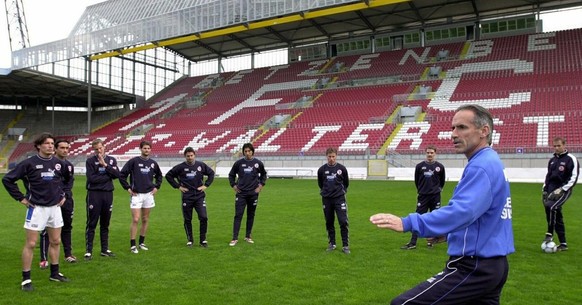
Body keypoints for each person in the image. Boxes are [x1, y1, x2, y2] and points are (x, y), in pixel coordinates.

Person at [370, 104, 514, 305]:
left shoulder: (482, 165)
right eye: (453, 128)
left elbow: (463, 211)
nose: (454, 134)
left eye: (462, 127)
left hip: (473, 267)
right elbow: (484, 216)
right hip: (493, 264)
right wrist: (449, 233)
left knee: (402, 303)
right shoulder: (490, 161)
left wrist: (409, 222)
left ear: (484, 131)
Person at [2, 133, 72, 291]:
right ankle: (26, 279)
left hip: (55, 209)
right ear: (38, 145)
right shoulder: (28, 163)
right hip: (36, 209)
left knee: (55, 241)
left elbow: (68, 180)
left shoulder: (58, 163)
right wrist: (21, 198)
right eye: (46, 143)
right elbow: (8, 180)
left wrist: (64, 195)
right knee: (31, 244)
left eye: (52, 143)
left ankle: (55, 273)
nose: (50, 146)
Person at [165, 147, 215, 247]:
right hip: (187, 197)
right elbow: (168, 176)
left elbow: (211, 173)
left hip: (199, 196)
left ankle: (203, 240)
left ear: (194, 155)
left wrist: (206, 185)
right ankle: (190, 240)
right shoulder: (180, 167)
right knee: (188, 219)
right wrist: (178, 186)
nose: (190, 157)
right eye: (188, 156)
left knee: (204, 217)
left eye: (191, 155)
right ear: (185, 156)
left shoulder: (200, 165)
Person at [119, 140, 163, 254]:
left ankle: (142, 243)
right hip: (136, 195)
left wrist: (156, 187)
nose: (146, 150)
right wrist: (128, 188)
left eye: (148, 148)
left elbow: (159, 176)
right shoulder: (133, 161)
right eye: (144, 148)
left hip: (148, 194)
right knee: (135, 219)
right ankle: (133, 245)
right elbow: (122, 175)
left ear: (150, 149)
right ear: (140, 149)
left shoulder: (153, 163)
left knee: (145, 219)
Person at [39, 139, 76, 269]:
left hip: (66, 200)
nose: (65, 150)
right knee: (46, 229)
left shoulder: (69, 165)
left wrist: (65, 195)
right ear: (55, 149)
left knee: (67, 226)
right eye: (62, 148)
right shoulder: (49, 163)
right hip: (50, 201)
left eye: (67, 148)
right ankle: (44, 258)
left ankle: (68, 254)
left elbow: (69, 182)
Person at [401, 145, 446, 250]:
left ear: (435, 153)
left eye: (432, 153)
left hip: (435, 196)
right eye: (428, 153)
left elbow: (442, 182)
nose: (430, 154)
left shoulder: (440, 167)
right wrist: (422, 190)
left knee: (434, 219)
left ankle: (431, 242)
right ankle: (413, 242)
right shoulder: (419, 166)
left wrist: (436, 190)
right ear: (425, 153)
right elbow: (417, 181)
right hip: (423, 196)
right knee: (417, 218)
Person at [85, 138, 120, 260]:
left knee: (105, 223)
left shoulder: (111, 160)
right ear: (93, 150)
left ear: (104, 147)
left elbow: (117, 175)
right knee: (92, 223)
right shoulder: (90, 161)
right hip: (94, 194)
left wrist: (105, 166)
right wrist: (107, 176)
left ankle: (104, 249)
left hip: (107, 194)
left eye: (100, 148)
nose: (99, 151)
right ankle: (89, 251)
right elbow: (91, 179)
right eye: (96, 149)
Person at [542, 137, 579, 251]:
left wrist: (562, 189)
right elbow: (548, 176)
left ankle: (549, 233)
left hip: (563, 190)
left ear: (564, 145)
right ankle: (563, 244)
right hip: (551, 190)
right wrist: (544, 189)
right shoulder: (552, 160)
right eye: (555, 146)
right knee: (556, 215)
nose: (556, 148)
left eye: (559, 145)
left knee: (551, 207)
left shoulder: (571, 159)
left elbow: (574, 177)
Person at [228, 143, 267, 246]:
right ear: (243, 152)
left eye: (249, 151)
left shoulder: (258, 163)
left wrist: (260, 186)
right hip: (241, 193)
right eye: (245, 151)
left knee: (251, 215)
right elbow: (231, 175)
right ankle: (234, 238)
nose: (247, 153)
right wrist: (234, 185)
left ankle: (248, 236)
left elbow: (264, 175)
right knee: (238, 215)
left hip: (253, 194)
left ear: (252, 151)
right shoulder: (239, 163)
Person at [317, 147, 351, 254]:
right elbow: (320, 184)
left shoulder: (342, 169)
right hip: (327, 199)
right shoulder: (321, 170)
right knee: (329, 221)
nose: (331, 158)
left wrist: (341, 192)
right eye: (329, 156)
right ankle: (332, 243)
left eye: (333, 156)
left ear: (336, 156)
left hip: (339, 198)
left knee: (343, 221)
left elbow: (346, 183)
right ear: (326, 156)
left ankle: (345, 245)